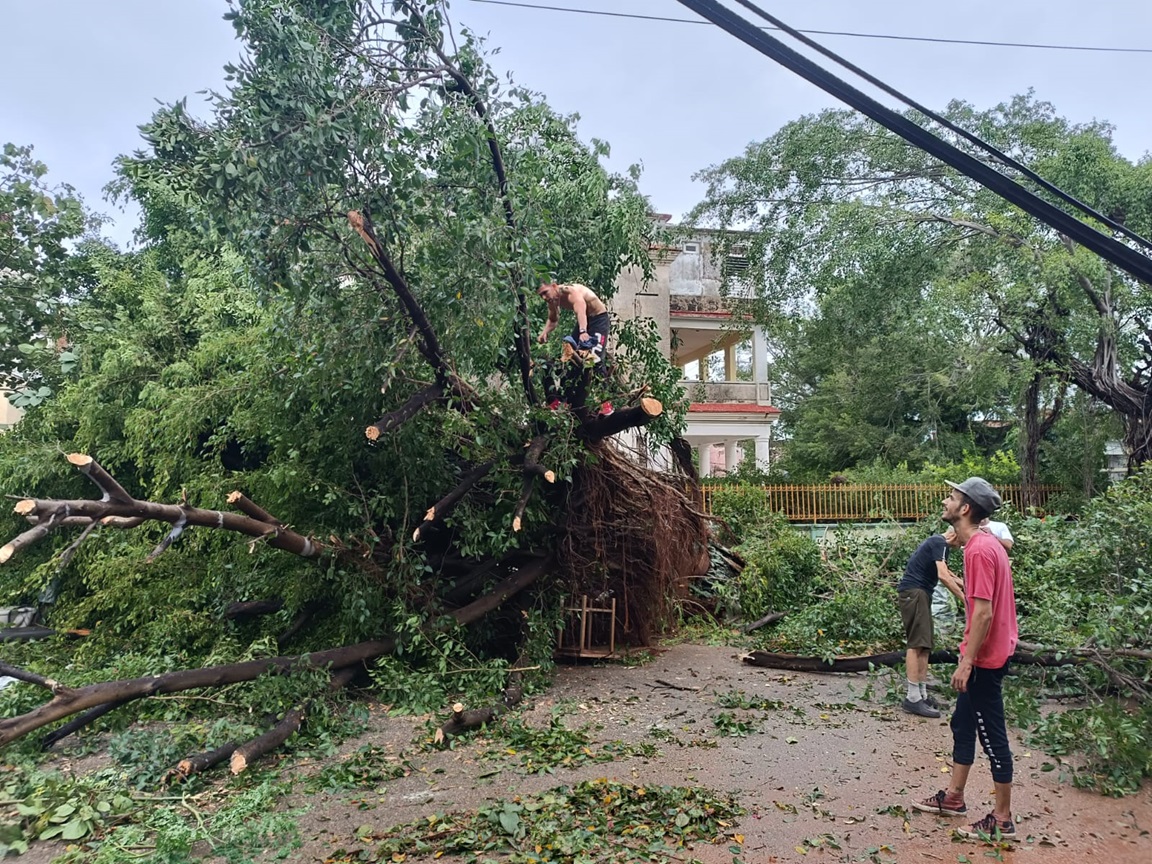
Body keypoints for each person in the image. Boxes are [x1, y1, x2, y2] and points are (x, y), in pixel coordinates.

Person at [912, 477, 1019, 843]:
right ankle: (954, 797)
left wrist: (967, 661)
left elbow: (983, 614)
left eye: (953, 497)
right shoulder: (985, 544)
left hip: (986, 659)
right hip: (989, 651)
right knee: (962, 723)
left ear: (966, 508)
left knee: (992, 736)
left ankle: (1002, 820)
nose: (946, 500)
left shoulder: (978, 550)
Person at [897, 529, 964, 718]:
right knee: (916, 644)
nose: (962, 545)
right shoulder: (939, 542)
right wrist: (964, 599)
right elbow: (943, 576)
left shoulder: (941, 546)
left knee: (925, 646)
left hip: (921, 593)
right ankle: (912, 698)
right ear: (956, 533)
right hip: (915, 593)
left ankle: (922, 694)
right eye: (962, 540)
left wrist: (966, 585)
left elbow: (947, 573)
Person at [536, 281, 613, 415]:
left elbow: (581, 310)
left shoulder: (571, 292)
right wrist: (544, 332)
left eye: (545, 292)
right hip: (583, 322)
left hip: (598, 320)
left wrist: (583, 332)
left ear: (554, 286)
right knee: (569, 357)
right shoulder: (552, 299)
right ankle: (563, 400)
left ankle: (605, 403)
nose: (544, 297)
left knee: (595, 358)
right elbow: (553, 320)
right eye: (541, 295)